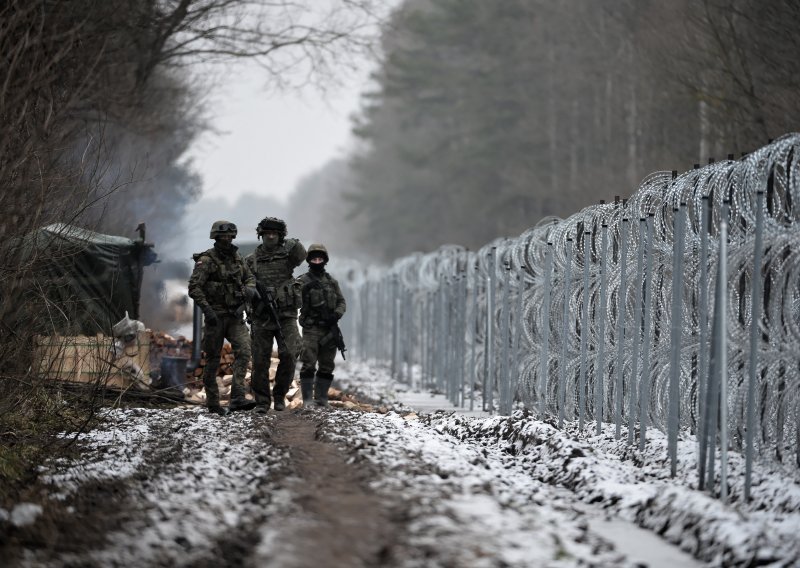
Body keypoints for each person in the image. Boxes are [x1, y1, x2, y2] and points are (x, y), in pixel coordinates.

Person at [188, 220, 258, 416]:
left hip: (235, 315)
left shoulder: (237, 258)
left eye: (229, 236)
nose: (226, 240)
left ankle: (237, 397)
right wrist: (208, 312)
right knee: (212, 360)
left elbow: (249, 277)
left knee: (244, 351)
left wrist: (250, 290)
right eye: (223, 237)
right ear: (216, 238)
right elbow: (194, 288)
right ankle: (213, 403)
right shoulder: (207, 260)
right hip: (215, 317)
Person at [245, 217, 306, 412]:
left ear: (280, 236)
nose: (271, 236)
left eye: (275, 233)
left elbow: (302, 252)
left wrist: (289, 242)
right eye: (267, 233)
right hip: (261, 317)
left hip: (286, 315)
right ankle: (262, 401)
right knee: (260, 359)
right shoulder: (251, 261)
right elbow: (244, 286)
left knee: (290, 352)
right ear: (261, 235)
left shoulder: (287, 255)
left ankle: (279, 395)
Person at [296, 244, 346, 407]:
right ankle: (308, 399)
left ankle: (322, 398)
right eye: (314, 259)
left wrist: (336, 314)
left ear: (325, 260)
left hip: (329, 329)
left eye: (320, 258)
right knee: (309, 362)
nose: (317, 261)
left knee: (327, 364)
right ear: (309, 260)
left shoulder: (331, 282)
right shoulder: (303, 281)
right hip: (311, 328)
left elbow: (341, 301)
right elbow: (293, 300)